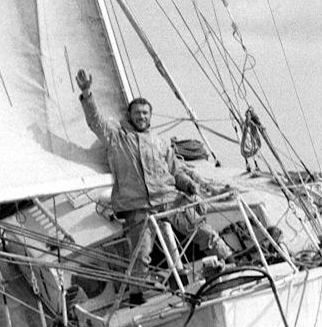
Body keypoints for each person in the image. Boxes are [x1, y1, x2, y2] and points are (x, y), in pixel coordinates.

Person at [75, 69, 232, 305]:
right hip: (137, 204)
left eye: (145, 113)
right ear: (129, 115)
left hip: (167, 197)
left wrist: (188, 185)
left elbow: (175, 170)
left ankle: (230, 259)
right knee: (141, 251)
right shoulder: (116, 136)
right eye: (137, 113)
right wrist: (87, 93)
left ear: (150, 116)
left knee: (199, 228)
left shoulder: (160, 142)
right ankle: (136, 294)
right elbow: (95, 121)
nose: (141, 116)